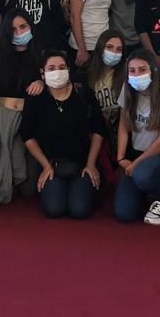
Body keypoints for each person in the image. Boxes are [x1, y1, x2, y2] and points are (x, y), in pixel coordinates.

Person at [21, 51, 106, 219]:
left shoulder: (83, 93)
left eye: (61, 67)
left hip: (82, 164)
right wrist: (45, 165)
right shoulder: (36, 97)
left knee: (80, 210)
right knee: (54, 209)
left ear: (68, 69)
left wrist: (91, 164)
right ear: (42, 73)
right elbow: (27, 135)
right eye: (51, 68)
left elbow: (98, 129)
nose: (57, 72)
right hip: (52, 164)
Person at [113, 49, 160, 225]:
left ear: (152, 70)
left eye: (142, 69)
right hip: (138, 153)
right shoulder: (127, 90)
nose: (137, 75)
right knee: (124, 213)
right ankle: (148, 191)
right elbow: (123, 125)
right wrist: (120, 157)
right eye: (132, 71)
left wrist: (136, 164)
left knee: (142, 174)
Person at [0, 9, 45, 203]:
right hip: (3, 120)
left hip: (29, 122)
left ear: (31, 26)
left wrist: (42, 82)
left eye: (23, 27)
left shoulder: (41, 54)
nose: (19, 33)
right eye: (13, 29)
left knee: (28, 189)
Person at [87, 30, 125, 160]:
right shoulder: (86, 75)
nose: (114, 53)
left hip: (120, 132)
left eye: (119, 49)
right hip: (96, 132)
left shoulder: (127, 74)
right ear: (101, 47)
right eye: (109, 47)